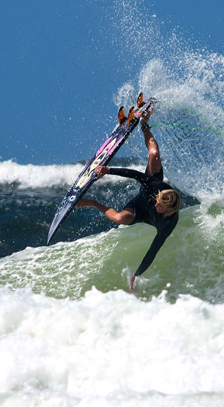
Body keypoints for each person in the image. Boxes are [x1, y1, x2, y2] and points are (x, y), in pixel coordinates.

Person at [76, 109, 181, 290]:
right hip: (146, 189)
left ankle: (92, 202)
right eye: (157, 200)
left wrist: (137, 274)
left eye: (158, 205)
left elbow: (152, 252)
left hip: (138, 212)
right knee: (154, 154)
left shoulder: (168, 224)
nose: (156, 202)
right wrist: (109, 170)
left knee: (119, 219)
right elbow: (136, 175)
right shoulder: (160, 189)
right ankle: (144, 124)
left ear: (167, 210)